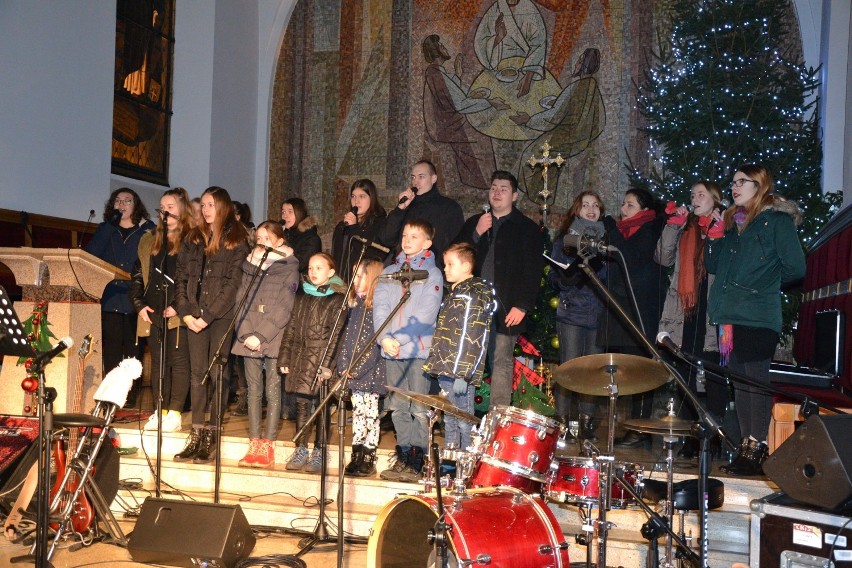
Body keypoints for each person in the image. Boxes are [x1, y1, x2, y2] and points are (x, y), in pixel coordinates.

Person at [706, 165, 805, 475]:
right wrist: (716, 235)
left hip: (757, 314)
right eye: (733, 182)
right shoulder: (734, 223)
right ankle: (746, 449)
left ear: (759, 185)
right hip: (727, 316)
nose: (734, 187)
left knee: (755, 381)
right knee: (739, 383)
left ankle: (757, 448)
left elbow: (796, 268)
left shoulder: (776, 222)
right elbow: (712, 264)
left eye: (741, 182)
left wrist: (762, 285)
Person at [454, 170, 545, 408]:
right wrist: (476, 233)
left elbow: (533, 271)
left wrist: (522, 305)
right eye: (493, 187)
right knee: (468, 360)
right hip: (473, 307)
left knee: (501, 361)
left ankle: (498, 418)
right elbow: (454, 255)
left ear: (514, 196)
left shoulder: (526, 228)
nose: (497, 192)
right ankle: (464, 417)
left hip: (507, 307)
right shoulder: (477, 222)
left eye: (503, 189)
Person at [174, 186, 250, 464]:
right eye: (203, 205)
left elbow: (233, 284)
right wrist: (185, 312)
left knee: (218, 373)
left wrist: (208, 315)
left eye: (210, 205)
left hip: (220, 317)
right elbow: (181, 276)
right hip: (193, 315)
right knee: (197, 374)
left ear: (223, 207)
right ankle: (196, 433)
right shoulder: (193, 237)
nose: (205, 210)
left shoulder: (237, 238)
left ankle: (213, 435)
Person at [655, 181, 726, 458]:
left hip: (711, 307)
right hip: (684, 307)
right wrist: (674, 224)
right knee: (683, 371)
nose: (695, 199)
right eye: (693, 195)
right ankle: (691, 434)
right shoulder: (684, 227)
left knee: (714, 373)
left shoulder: (725, 225)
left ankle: (716, 434)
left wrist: (718, 233)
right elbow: (662, 258)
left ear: (714, 199)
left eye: (701, 195)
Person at [374, 220, 444, 482]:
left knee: (417, 407)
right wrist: (384, 338)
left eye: (414, 236)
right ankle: (403, 455)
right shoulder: (390, 270)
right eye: (404, 235)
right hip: (391, 349)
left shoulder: (432, 274)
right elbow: (380, 306)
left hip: (416, 349)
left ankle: (419, 458)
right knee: (398, 407)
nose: (407, 239)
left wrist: (398, 339)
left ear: (427, 243)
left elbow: (426, 313)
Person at [598, 188, 667, 448]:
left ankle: (641, 428)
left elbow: (629, 257)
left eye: (629, 204)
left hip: (640, 310)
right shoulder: (626, 229)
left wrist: (613, 229)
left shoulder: (649, 229)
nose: (623, 209)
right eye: (623, 203)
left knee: (640, 369)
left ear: (643, 209)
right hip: (620, 307)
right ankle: (628, 425)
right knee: (625, 370)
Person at [231, 221, 299, 469]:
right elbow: (241, 300)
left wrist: (261, 335)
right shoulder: (250, 266)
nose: (261, 242)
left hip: (272, 337)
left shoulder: (289, 267)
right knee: (253, 391)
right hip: (247, 336)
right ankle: (254, 442)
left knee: (272, 391)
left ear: (280, 241)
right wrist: (247, 333)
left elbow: (285, 307)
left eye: (267, 238)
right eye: (258, 238)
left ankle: (267, 444)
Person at [129, 187, 193, 433]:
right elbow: (137, 275)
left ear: (182, 210)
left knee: (178, 362)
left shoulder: (192, 241)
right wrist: (138, 304)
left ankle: (175, 412)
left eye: (171, 207)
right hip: (152, 310)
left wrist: (178, 306)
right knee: (158, 362)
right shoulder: (149, 240)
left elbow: (193, 279)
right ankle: (160, 409)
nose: (165, 212)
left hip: (177, 310)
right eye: (162, 208)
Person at [86, 188, 156, 406]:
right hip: (111, 299)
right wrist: (109, 225)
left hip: (136, 300)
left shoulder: (147, 231)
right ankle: (110, 397)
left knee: (133, 351)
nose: (122, 204)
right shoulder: (106, 229)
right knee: (113, 350)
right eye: (118, 201)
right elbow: (92, 254)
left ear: (136, 205)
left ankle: (130, 398)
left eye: (128, 200)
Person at [278, 253, 347, 473]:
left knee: (322, 405)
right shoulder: (302, 296)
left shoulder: (337, 299)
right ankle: (301, 447)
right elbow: (290, 329)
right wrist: (284, 357)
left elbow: (337, 335)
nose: (313, 272)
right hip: (300, 355)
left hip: (321, 358)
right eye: (310, 268)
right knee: (301, 402)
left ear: (331, 272)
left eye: (319, 268)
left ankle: (320, 450)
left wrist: (327, 366)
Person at [424, 243, 496, 451]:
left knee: (464, 417)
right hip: (447, 367)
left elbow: (472, 336)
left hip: (459, 371)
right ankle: (451, 457)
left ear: (466, 267)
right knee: (450, 416)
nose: (445, 269)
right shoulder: (454, 294)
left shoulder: (473, 294)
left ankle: (465, 460)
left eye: (450, 264)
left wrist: (463, 374)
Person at [549, 191, 608, 442]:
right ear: (577, 210)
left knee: (592, 371)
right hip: (572, 311)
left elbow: (610, 278)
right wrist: (567, 277)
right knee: (569, 367)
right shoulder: (565, 240)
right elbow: (554, 275)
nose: (591, 209)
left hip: (597, 312)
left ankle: (586, 423)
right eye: (585, 205)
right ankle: (562, 421)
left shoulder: (606, 241)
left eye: (596, 205)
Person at [336, 259, 387, 477]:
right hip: (354, 372)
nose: (355, 281)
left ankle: (369, 454)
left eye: (360, 277)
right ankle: (356, 453)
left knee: (370, 416)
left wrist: (357, 368)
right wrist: (343, 364)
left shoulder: (376, 308)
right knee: (357, 413)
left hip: (371, 373)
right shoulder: (355, 306)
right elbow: (347, 339)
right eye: (354, 276)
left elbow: (374, 344)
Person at [379, 160, 464, 268]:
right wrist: (400, 209)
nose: (416, 182)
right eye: (413, 177)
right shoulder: (406, 207)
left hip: (432, 272)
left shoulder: (449, 208)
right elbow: (387, 239)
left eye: (421, 177)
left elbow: (456, 245)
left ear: (433, 179)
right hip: (402, 270)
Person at [331, 179, 388, 283]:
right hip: (339, 283)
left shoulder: (380, 223)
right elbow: (335, 256)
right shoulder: (342, 226)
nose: (356, 201)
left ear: (372, 199)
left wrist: (354, 228)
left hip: (362, 283)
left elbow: (373, 255)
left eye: (362, 196)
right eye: (353, 196)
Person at [280, 197, 322, 274]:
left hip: (302, 283)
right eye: (283, 212)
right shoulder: (284, 234)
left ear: (300, 213)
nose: (285, 216)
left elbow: (299, 264)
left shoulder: (311, 238)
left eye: (290, 212)